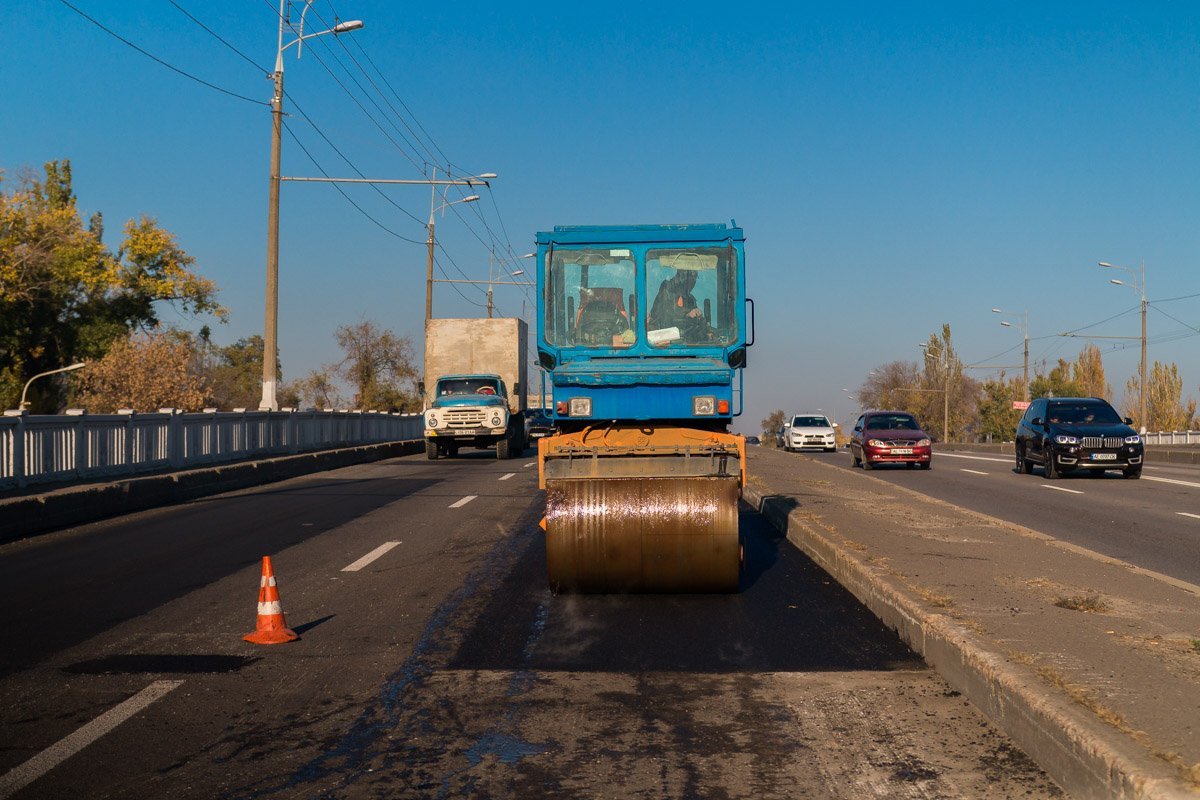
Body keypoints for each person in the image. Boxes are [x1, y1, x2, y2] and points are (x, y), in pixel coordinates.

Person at [649, 268, 706, 340]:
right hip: (662, 341)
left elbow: (696, 323)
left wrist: (706, 331)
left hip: (686, 341)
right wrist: (687, 313)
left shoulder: (690, 299)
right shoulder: (666, 289)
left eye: (694, 280)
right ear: (682, 278)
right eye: (691, 279)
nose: (693, 283)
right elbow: (668, 310)